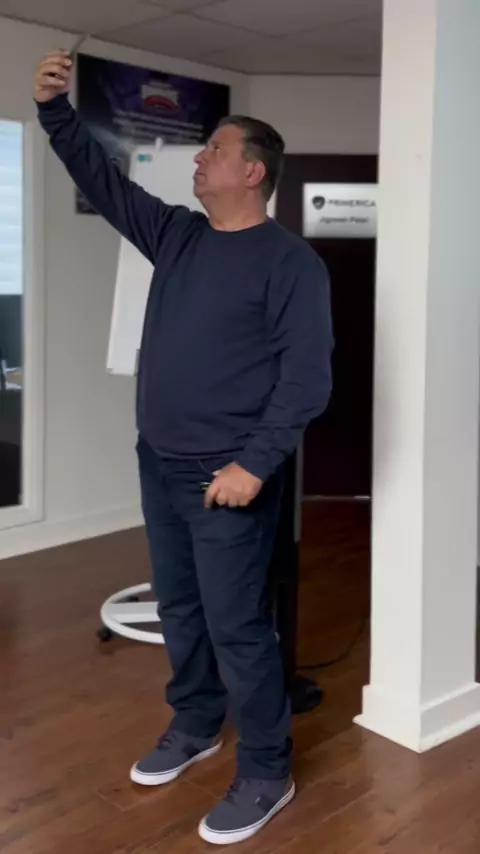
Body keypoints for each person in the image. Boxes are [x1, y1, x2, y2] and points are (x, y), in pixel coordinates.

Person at [34, 49, 333, 846]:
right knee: (180, 608)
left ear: (252, 171)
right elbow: (104, 183)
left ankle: (266, 770)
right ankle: (197, 722)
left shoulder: (291, 264)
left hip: (226, 474)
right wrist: (56, 111)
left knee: (239, 626)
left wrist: (253, 464)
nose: (199, 160)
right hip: (159, 461)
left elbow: (307, 380)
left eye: (215, 150)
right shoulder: (176, 235)